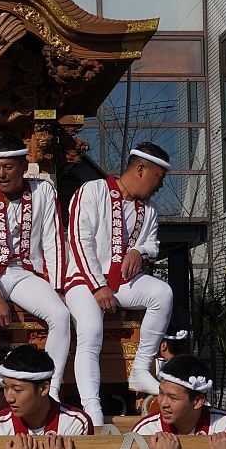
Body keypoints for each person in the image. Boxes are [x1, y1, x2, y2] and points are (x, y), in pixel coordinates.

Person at [65, 142, 174, 408]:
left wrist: (138, 251)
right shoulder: (92, 190)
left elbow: (152, 245)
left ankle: (140, 370)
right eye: (159, 177)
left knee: (163, 293)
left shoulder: (150, 209)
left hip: (122, 283)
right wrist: (98, 286)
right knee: (91, 331)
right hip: (84, 281)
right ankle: (92, 406)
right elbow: (80, 240)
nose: (160, 186)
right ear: (141, 169)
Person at [0, 134, 70, 401]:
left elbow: (53, 240)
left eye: (8, 167)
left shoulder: (44, 191)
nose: (1, 174)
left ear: (23, 166)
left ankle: (50, 390)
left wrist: (58, 287)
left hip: (25, 273)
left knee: (61, 315)